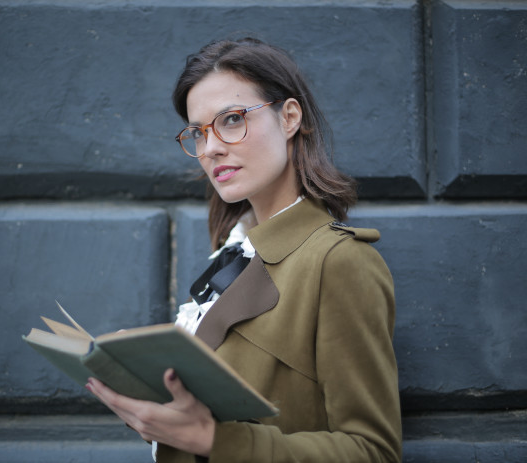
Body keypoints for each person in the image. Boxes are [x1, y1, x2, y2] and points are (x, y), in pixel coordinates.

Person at [86, 37, 402, 462]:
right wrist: (151, 392)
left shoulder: (338, 261)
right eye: (198, 132)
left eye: (232, 119)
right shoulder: (232, 251)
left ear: (289, 117)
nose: (211, 146)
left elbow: (373, 452)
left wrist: (215, 440)